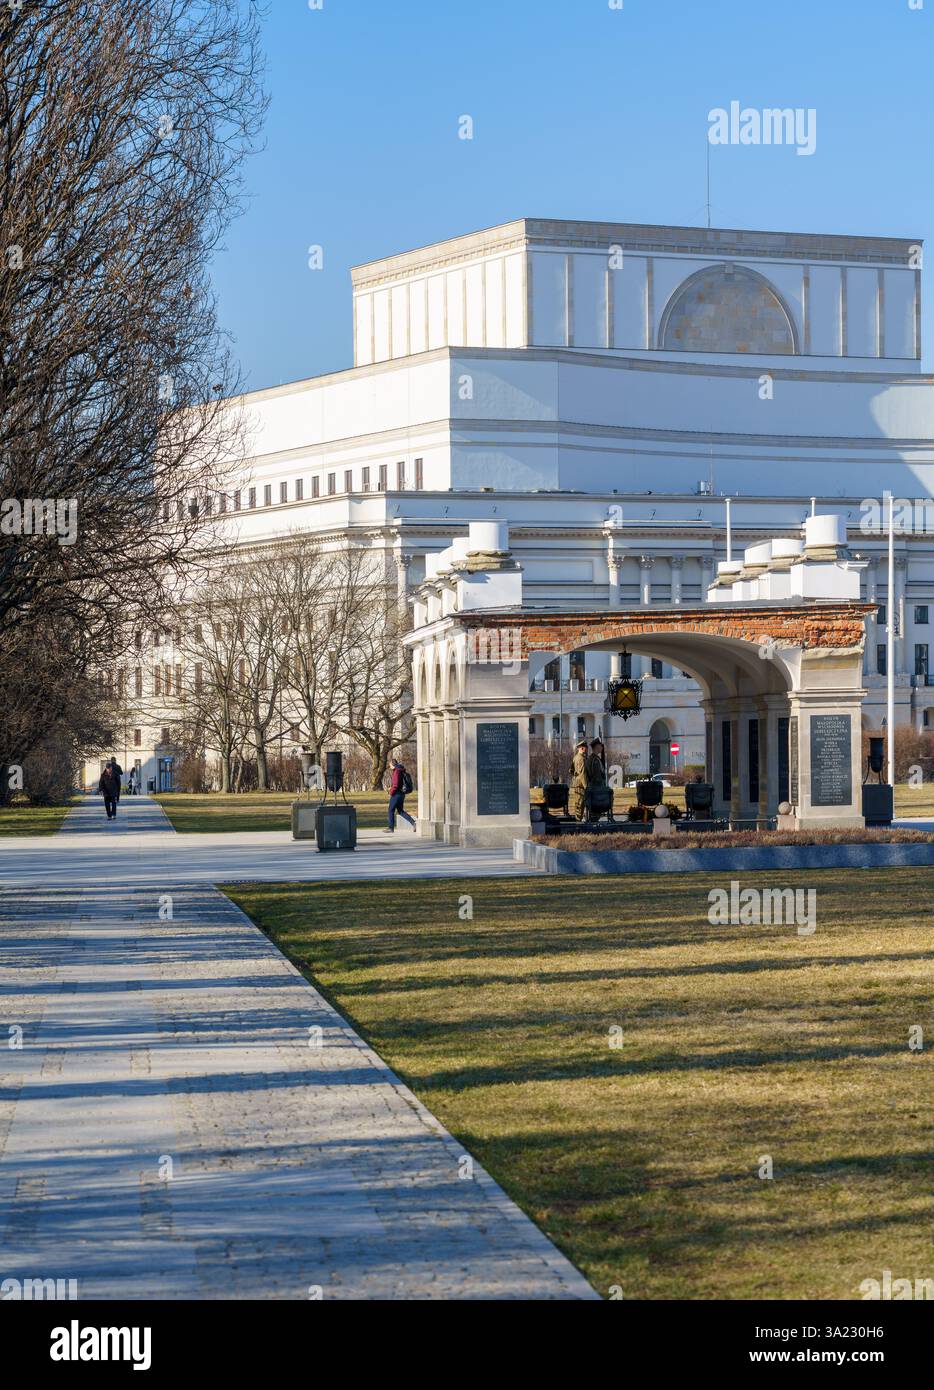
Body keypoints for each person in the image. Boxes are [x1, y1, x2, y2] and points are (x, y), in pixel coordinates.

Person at [384, 758, 416, 833]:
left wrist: (391, 792)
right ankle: (413, 823)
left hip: (396, 794)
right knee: (400, 811)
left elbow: (396, 784)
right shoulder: (401, 770)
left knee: (390, 810)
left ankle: (391, 828)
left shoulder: (396, 771)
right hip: (401, 794)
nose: (390, 766)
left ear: (393, 764)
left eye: (390, 765)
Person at [568, 738, 590, 821]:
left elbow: (571, 770)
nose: (587, 750)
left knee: (578, 803)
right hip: (581, 785)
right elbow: (582, 774)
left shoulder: (576, 757)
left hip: (577, 784)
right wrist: (586, 786)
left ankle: (579, 821)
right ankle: (578, 825)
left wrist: (575, 776)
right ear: (582, 748)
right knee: (580, 804)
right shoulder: (581, 759)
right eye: (586, 748)